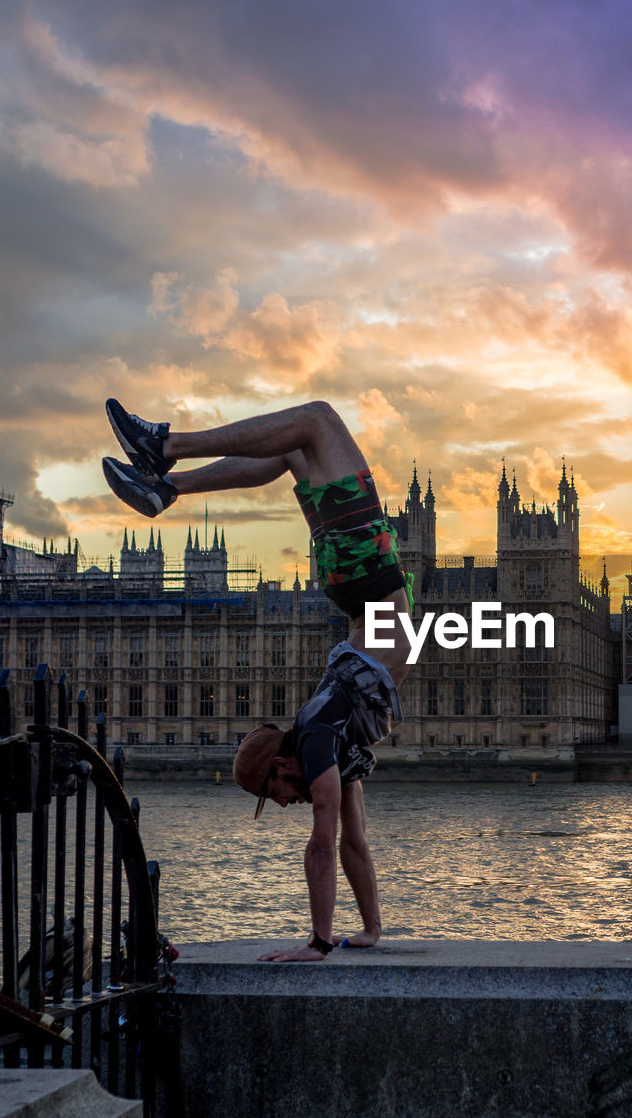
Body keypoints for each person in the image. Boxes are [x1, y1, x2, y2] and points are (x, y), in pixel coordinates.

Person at [102, 397, 414, 962]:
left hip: (368, 581)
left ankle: (165, 449)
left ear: (280, 764)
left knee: (315, 421)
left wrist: (318, 943)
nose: (287, 803)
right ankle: (168, 489)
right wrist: (367, 929)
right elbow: (353, 844)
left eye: (275, 792)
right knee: (294, 447)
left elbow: (321, 846)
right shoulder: (331, 743)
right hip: (362, 584)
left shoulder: (319, 736)